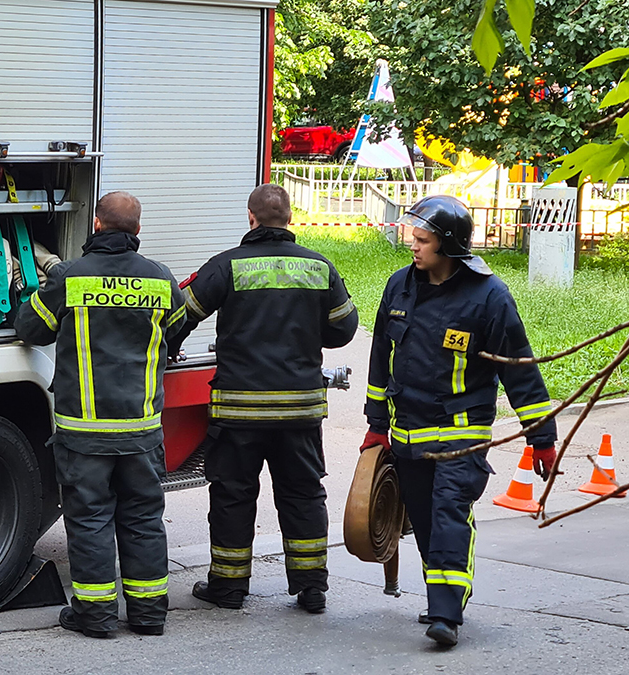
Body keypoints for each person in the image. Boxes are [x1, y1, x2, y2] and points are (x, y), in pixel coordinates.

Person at [361, 195, 557, 647]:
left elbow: (518, 369)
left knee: (450, 514)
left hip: (461, 434)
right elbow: (379, 362)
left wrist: (542, 438)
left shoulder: (488, 297)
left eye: (422, 240)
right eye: (413, 237)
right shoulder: (399, 287)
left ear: (447, 246)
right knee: (427, 523)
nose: (413, 245)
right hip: (407, 435)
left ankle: (446, 614)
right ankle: (440, 596)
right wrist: (376, 424)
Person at [170, 184, 358, 614]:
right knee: (303, 495)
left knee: (233, 497)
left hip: (239, 412)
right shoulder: (319, 267)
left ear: (250, 218)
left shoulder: (226, 266)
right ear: (289, 219)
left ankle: (229, 588)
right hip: (299, 411)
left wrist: (169, 347)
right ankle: (312, 588)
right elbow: (344, 330)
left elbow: (180, 315)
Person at [15, 191, 187, 639]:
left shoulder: (70, 278)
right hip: (142, 432)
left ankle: (95, 616)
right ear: (138, 230)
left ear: (95, 224)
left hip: (84, 434)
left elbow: (29, 329)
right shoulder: (160, 279)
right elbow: (176, 327)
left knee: (90, 519)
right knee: (144, 519)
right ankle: (149, 616)